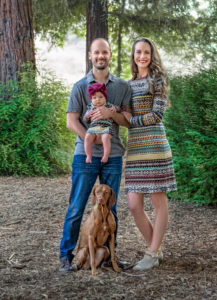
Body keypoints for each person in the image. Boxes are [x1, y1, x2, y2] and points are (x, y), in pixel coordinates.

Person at [59, 38, 131, 272]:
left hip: (113, 155)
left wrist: (112, 114)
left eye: (105, 52)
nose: (101, 56)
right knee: (77, 206)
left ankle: (111, 256)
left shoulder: (121, 87)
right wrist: (89, 139)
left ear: (110, 55)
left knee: (111, 206)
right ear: (90, 55)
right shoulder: (80, 86)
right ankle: (67, 255)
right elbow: (71, 120)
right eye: (96, 53)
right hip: (85, 155)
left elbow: (128, 120)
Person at [122, 38, 177, 271]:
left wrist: (131, 120)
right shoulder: (127, 84)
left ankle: (152, 253)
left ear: (152, 55)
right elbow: (122, 115)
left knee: (158, 200)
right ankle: (155, 248)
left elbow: (157, 115)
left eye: (146, 52)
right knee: (134, 204)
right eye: (138, 52)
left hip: (154, 144)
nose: (142, 56)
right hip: (135, 148)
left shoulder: (158, 79)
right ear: (133, 55)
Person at [84, 82, 121, 163]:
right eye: (94, 98)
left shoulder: (108, 105)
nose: (98, 100)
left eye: (101, 97)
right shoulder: (90, 108)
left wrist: (115, 108)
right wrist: (87, 116)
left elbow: (118, 108)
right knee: (87, 137)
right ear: (91, 99)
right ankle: (88, 156)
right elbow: (86, 120)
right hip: (93, 128)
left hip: (106, 127)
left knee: (105, 138)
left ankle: (105, 155)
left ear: (105, 97)